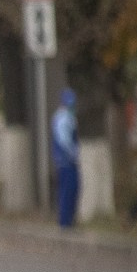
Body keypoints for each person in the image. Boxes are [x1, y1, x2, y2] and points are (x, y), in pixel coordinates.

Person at [53, 87, 81, 229]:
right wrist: (74, 155)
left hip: (66, 161)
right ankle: (65, 223)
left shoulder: (67, 117)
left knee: (71, 191)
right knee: (67, 192)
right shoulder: (63, 118)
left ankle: (68, 221)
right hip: (66, 162)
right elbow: (64, 141)